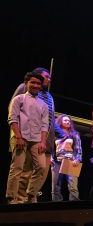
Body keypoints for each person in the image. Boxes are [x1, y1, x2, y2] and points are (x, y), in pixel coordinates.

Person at [9, 67, 64, 202]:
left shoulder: (49, 97)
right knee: (25, 171)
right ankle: (19, 199)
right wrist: (18, 135)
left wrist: (62, 133)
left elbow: (49, 119)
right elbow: (13, 110)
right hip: (26, 137)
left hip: (45, 140)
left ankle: (31, 197)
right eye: (46, 76)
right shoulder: (24, 88)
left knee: (42, 171)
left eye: (50, 77)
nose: (49, 79)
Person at [5, 72, 49, 204]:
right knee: (17, 168)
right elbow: (12, 119)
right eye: (33, 82)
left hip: (36, 139)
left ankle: (31, 194)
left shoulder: (43, 105)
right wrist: (18, 137)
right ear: (26, 83)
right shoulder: (18, 99)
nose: (35, 85)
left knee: (41, 166)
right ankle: (11, 197)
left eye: (38, 83)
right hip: (21, 137)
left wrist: (43, 141)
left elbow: (44, 125)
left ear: (41, 86)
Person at [51, 115, 82, 201]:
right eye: (65, 120)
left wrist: (77, 159)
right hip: (57, 162)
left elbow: (78, 148)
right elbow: (51, 147)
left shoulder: (74, 134)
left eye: (69, 121)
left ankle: (74, 208)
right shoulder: (55, 134)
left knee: (73, 187)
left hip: (70, 161)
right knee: (55, 187)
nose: (68, 122)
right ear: (60, 121)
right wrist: (50, 158)